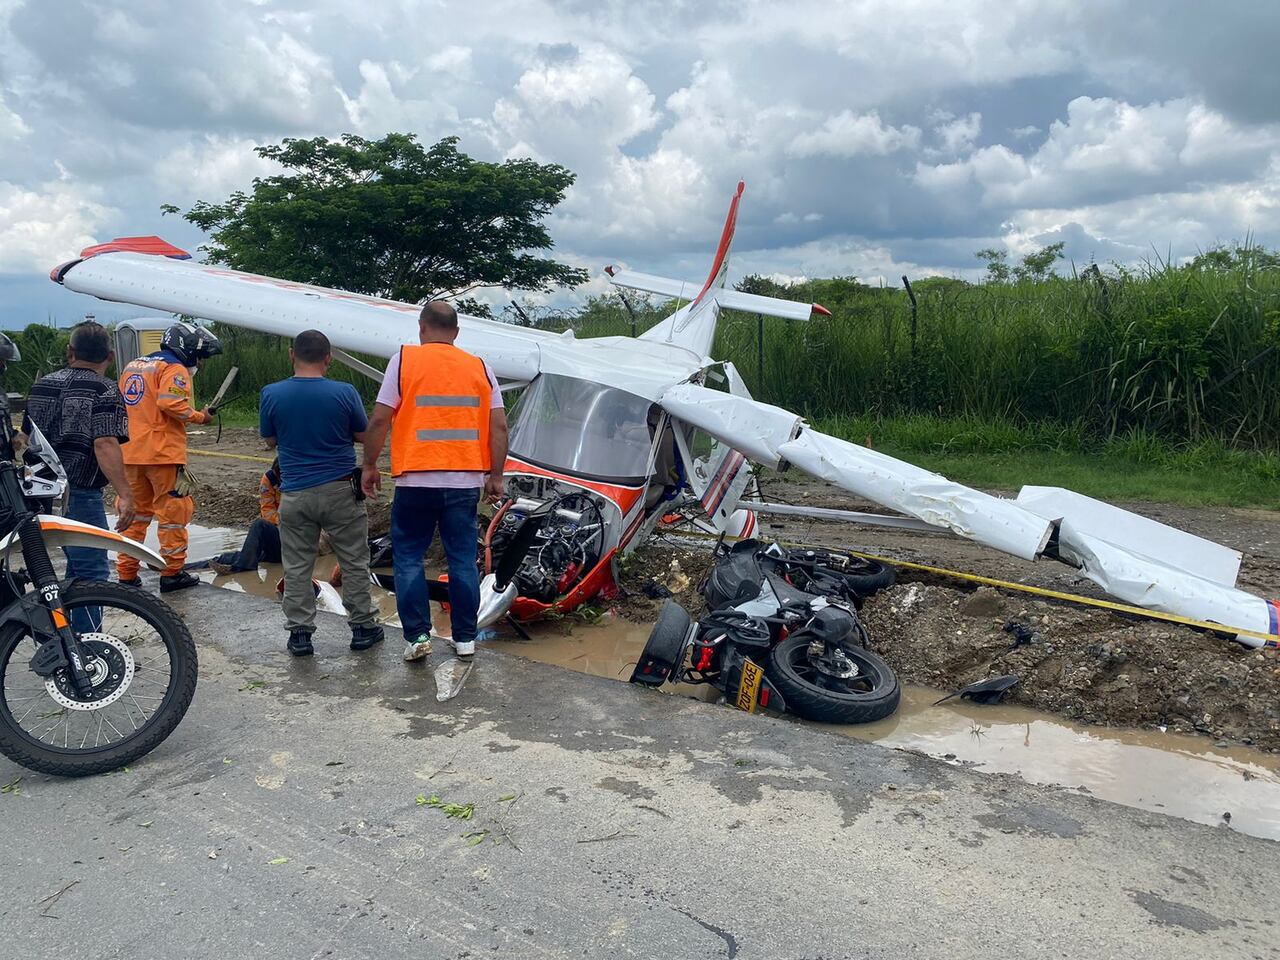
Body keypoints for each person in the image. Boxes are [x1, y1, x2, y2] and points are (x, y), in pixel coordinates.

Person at [361, 301, 508, 661]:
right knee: (460, 560)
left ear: (422, 329)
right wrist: (496, 475)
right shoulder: (480, 367)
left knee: (409, 557)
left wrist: (368, 465)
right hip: (464, 482)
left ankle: (417, 638)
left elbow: (380, 420)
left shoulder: (404, 360)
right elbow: (499, 425)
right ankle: (465, 640)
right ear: (456, 333)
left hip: (415, 480)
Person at [261, 329, 381, 657]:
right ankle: (363, 627)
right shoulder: (344, 392)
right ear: (328, 358)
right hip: (340, 489)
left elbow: (270, 440)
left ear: (291, 355)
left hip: (295, 493)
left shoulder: (271, 393)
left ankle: (300, 635)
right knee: (354, 560)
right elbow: (362, 433)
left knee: (297, 565)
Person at [23, 322, 134, 632]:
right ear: (110, 357)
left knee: (68, 569)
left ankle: (65, 639)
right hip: (79, 492)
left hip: (37, 491)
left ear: (70, 352)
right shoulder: (105, 389)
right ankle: (85, 653)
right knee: (91, 572)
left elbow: (26, 438)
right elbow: (104, 443)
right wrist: (125, 494)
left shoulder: (43, 384)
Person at [116, 321, 221, 592]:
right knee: (173, 513)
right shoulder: (173, 368)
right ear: (186, 349)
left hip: (129, 451)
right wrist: (200, 417)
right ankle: (172, 573)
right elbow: (170, 403)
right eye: (197, 356)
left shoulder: (133, 366)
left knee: (135, 515)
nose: (197, 362)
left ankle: (126, 574)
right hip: (161, 453)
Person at [208, 459, 283, 574]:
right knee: (235, 556)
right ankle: (180, 568)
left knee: (259, 526)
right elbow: (267, 511)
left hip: (296, 544)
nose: (278, 481)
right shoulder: (269, 478)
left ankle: (244, 568)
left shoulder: (303, 482)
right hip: (281, 535)